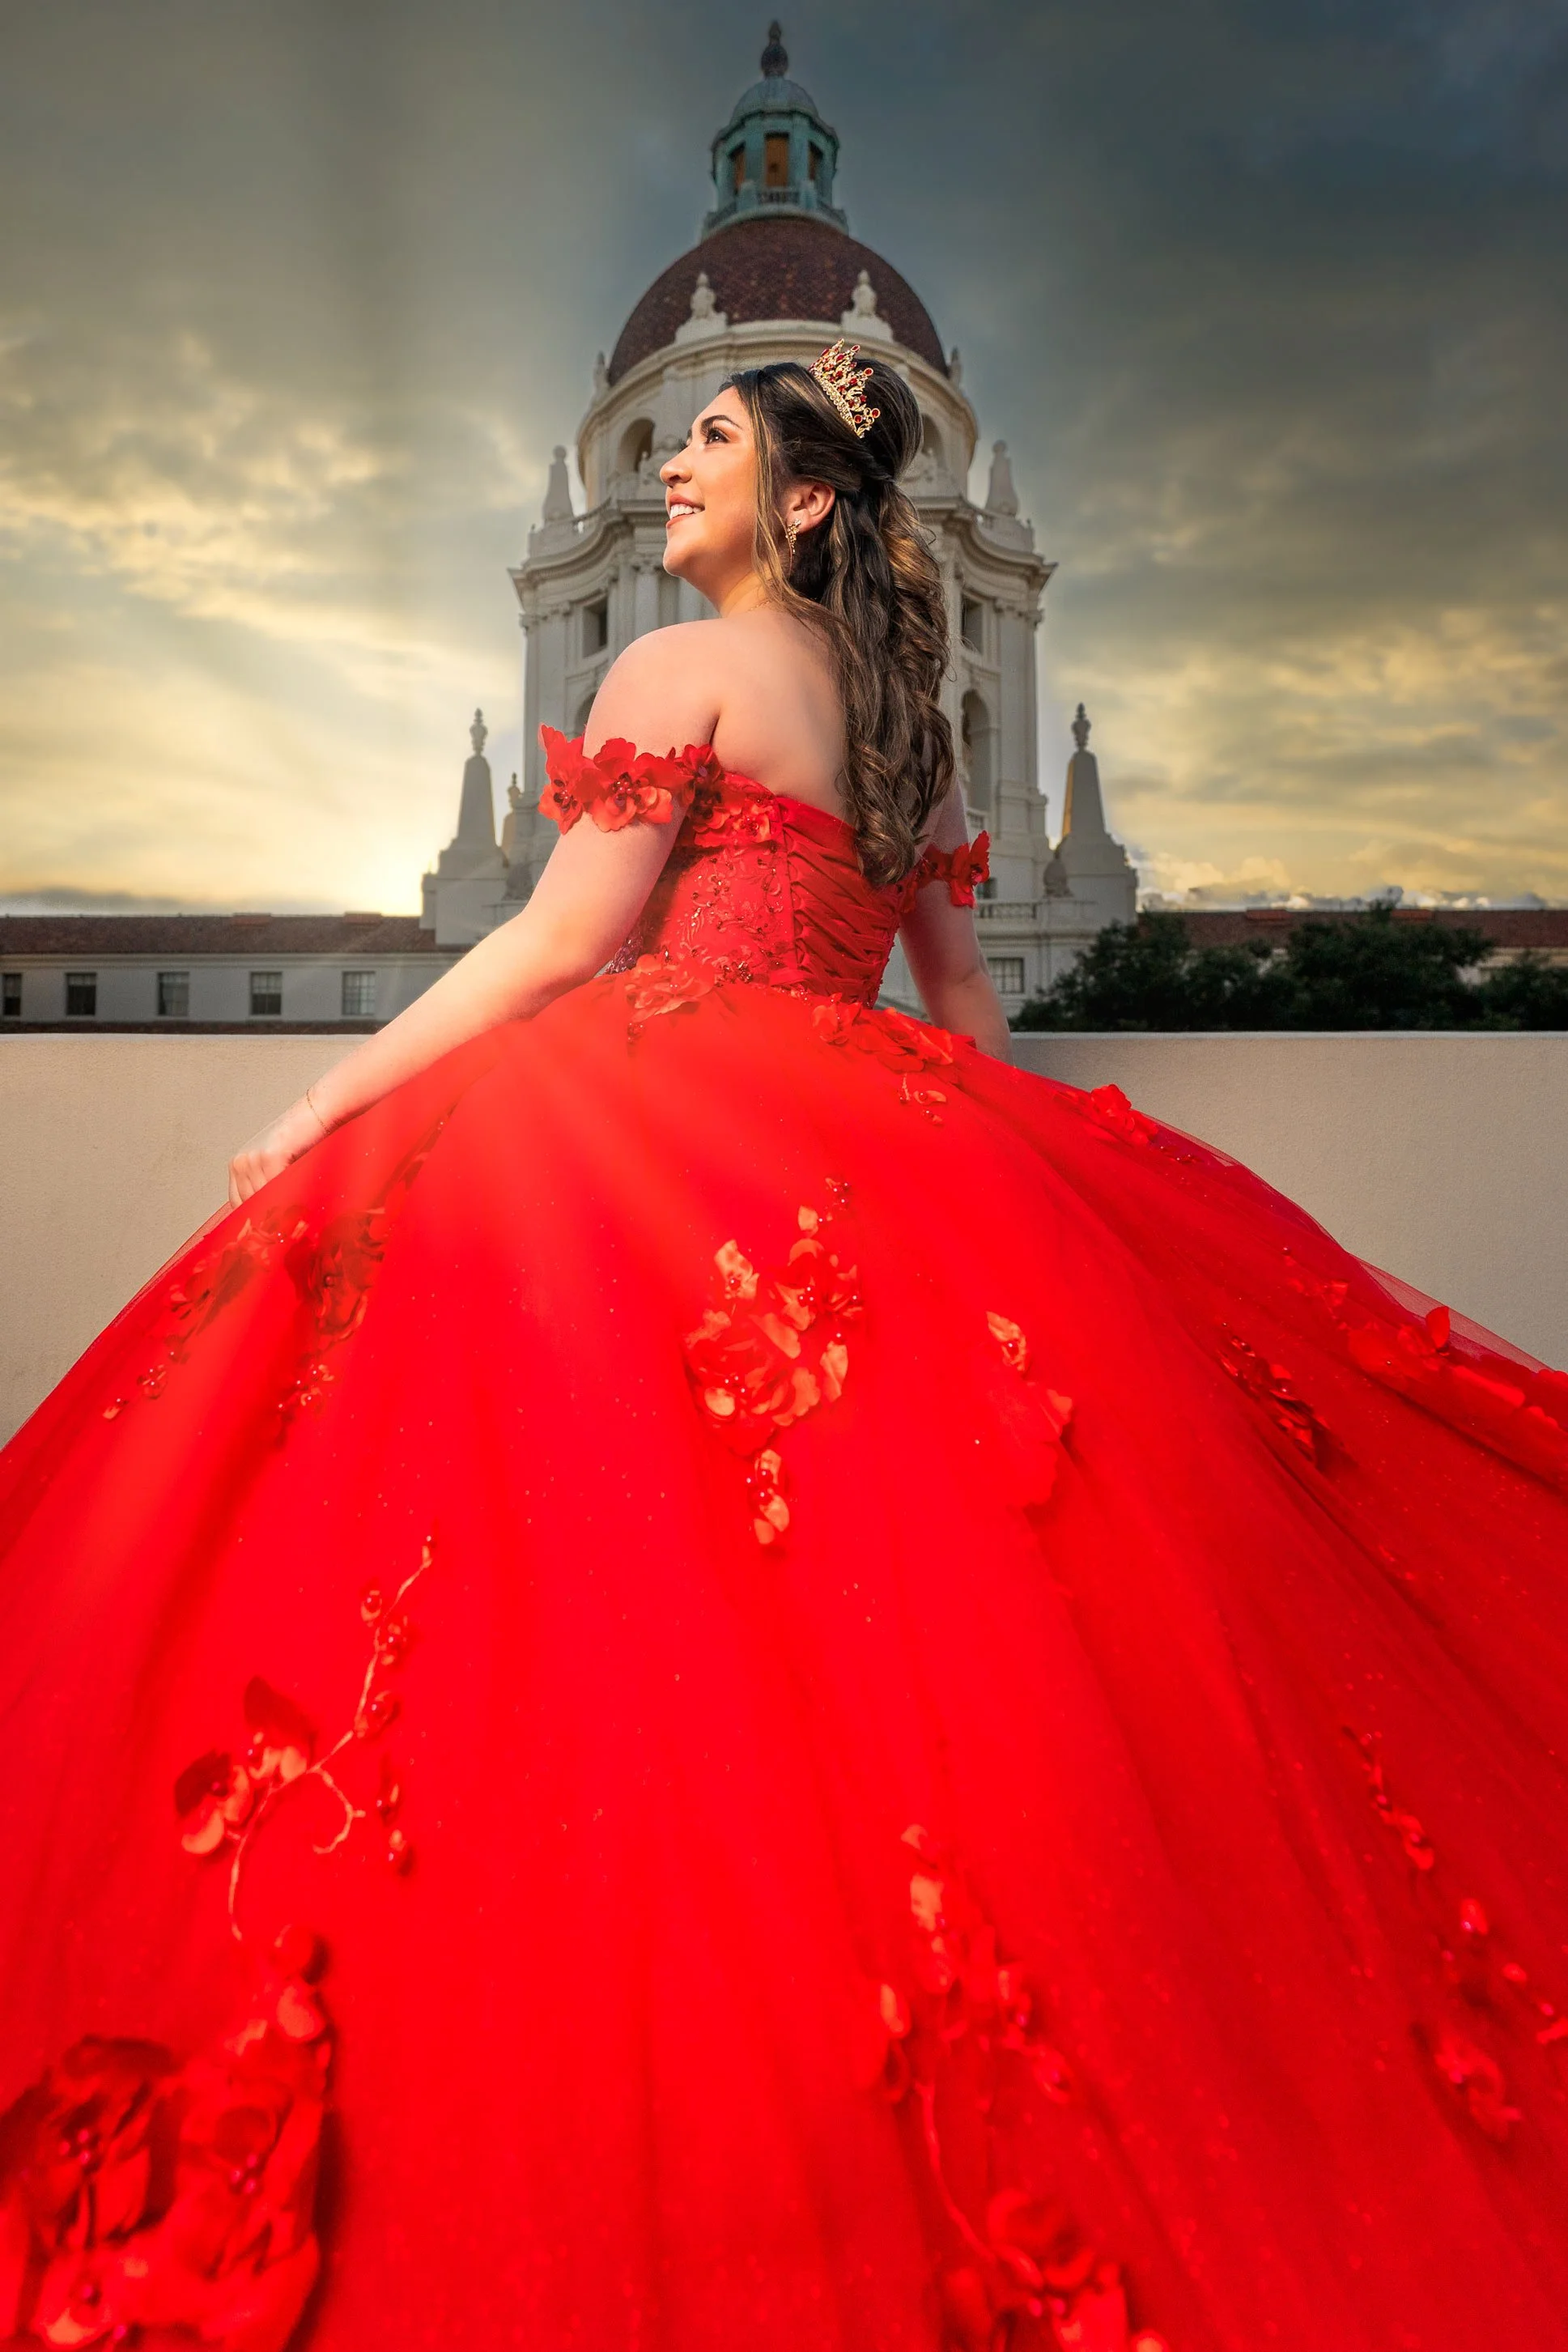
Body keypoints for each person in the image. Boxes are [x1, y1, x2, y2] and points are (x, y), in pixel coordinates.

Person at [2, 340, 1566, 2352]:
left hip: (653, 1123)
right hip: (878, 1146)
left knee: (578, 1621)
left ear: (800, 504)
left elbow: (561, 941)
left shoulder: (667, 672)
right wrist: (1071, 1197)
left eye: (711, 445)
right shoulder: (905, 738)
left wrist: (319, 1109)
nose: (669, 474)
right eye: (665, 444)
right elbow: (967, 1034)